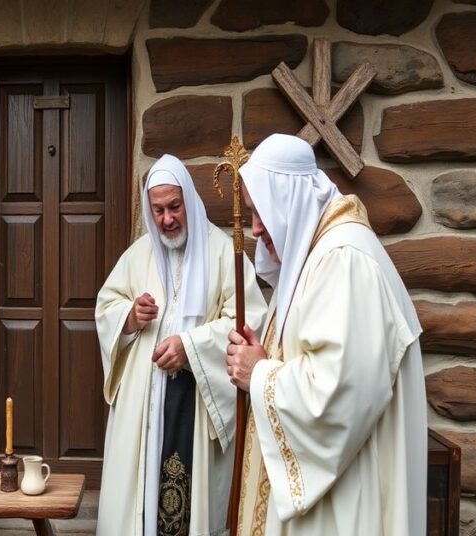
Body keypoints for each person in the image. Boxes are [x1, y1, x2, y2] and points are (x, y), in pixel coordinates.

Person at [225, 133, 427, 535]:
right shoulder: (315, 255)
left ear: (289, 199)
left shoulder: (344, 260)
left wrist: (260, 374)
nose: (255, 228)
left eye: (260, 210)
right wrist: (262, 356)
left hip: (345, 494)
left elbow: (338, 393)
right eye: (250, 212)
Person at [95, 154, 267, 535]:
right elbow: (106, 306)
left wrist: (190, 348)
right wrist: (129, 315)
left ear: (188, 200)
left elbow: (248, 322)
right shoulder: (139, 253)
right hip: (144, 407)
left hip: (195, 403)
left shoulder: (222, 251)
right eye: (157, 210)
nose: (167, 219)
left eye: (174, 207)